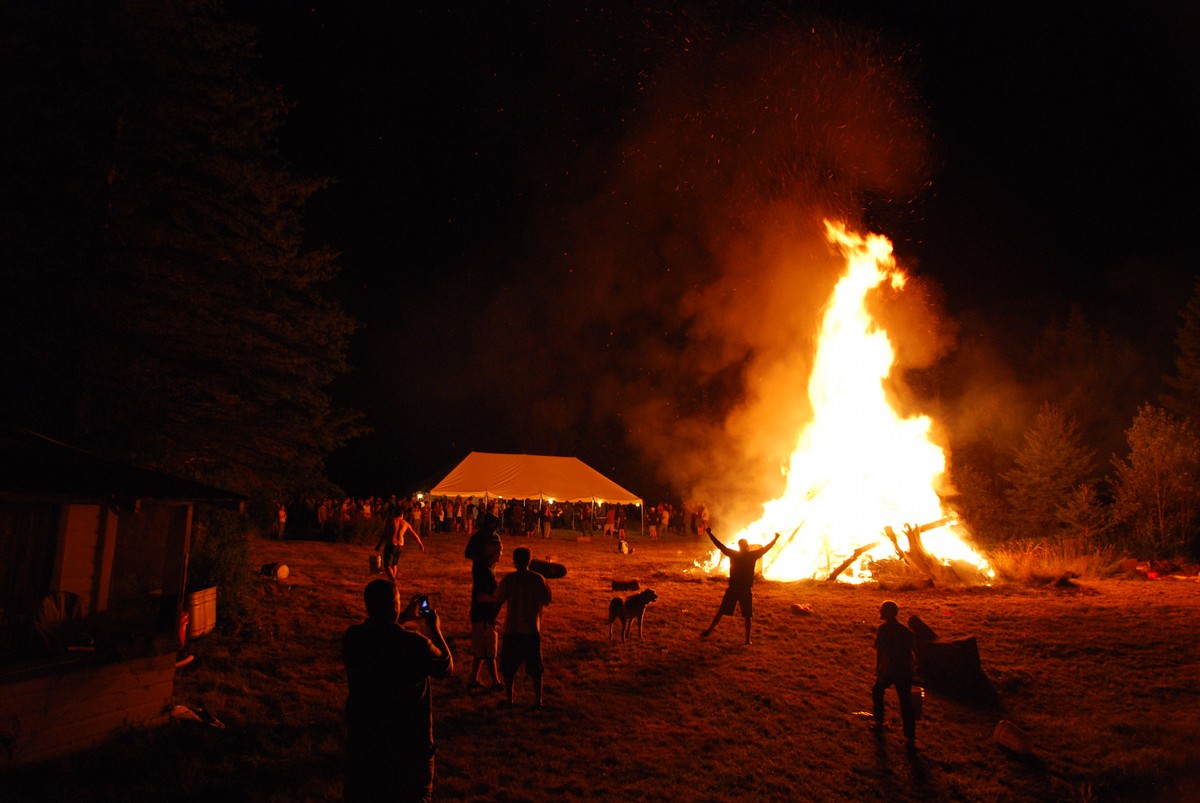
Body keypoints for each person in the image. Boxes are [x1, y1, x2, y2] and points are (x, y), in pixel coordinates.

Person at [342, 579, 453, 803]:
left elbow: (383, 636)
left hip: (366, 743)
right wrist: (435, 630)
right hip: (408, 748)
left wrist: (401, 619)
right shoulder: (415, 645)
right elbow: (445, 667)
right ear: (395, 606)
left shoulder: (353, 638)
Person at [489, 546, 552, 707]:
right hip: (531, 629)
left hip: (513, 629)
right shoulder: (538, 579)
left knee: (509, 667)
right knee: (535, 667)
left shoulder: (510, 579)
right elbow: (547, 599)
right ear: (530, 560)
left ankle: (509, 699)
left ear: (514, 561)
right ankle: (538, 700)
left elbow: (497, 601)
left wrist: (492, 621)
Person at [700, 528, 780, 645]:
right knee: (747, 615)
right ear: (747, 546)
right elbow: (765, 549)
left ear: (739, 546)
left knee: (722, 611)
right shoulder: (752, 555)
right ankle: (747, 640)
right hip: (745, 589)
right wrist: (775, 539)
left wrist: (710, 534)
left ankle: (709, 630)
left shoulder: (734, 554)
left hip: (733, 588)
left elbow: (720, 545)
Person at [872, 599, 917, 748]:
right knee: (906, 702)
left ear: (889, 613)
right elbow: (911, 652)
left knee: (877, 690)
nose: (880, 612)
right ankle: (910, 738)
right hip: (905, 670)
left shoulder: (884, 629)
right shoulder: (906, 631)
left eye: (883, 610)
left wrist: (879, 667)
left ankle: (879, 722)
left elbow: (881, 651)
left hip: (892, 668)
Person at [468, 539, 503, 690]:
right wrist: (498, 597)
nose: (502, 553)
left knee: (481, 651)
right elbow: (480, 596)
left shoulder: (486, 568)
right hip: (483, 616)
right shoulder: (485, 572)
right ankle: (496, 683)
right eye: (500, 550)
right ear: (494, 553)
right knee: (489, 651)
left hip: (484, 615)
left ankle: (472, 679)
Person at [375, 510, 424, 582]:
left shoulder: (391, 521)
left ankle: (393, 580)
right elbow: (413, 533)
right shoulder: (405, 523)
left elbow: (385, 533)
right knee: (394, 564)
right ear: (402, 515)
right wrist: (420, 543)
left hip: (391, 544)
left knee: (387, 565)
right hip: (400, 545)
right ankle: (392, 582)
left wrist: (379, 544)